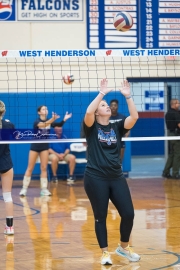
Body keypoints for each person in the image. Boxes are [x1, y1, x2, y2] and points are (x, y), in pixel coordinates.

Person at [83, 79, 140, 265]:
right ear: (98, 111)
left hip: (116, 176)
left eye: (107, 105)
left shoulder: (116, 126)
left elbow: (134, 117)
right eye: (104, 105)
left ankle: (123, 248)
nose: (107, 106)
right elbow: (88, 112)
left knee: (129, 214)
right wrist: (101, 93)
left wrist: (128, 96)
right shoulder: (91, 127)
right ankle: (105, 253)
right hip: (95, 177)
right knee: (101, 216)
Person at [19, 106, 72, 196]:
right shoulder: (37, 121)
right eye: (43, 109)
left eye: (46, 109)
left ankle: (44, 189)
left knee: (44, 168)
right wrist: (53, 119)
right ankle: (24, 189)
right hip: (35, 147)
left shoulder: (49, 120)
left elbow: (58, 125)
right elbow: (44, 124)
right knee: (30, 168)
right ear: (39, 112)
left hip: (44, 147)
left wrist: (64, 119)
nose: (46, 110)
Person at [0, 100, 15, 235]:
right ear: (3, 112)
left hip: (5, 162)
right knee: (7, 197)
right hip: (5, 163)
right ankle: (10, 228)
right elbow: (15, 134)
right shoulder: (9, 125)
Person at [162, 99, 180, 179]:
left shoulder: (168, 113)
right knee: (177, 154)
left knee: (172, 154)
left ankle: (165, 172)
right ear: (174, 104)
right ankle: (175, 173)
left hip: (170, 134)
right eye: (178, 103)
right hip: (176, 135)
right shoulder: (175, 113)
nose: (179, 104)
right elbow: (179, 125)